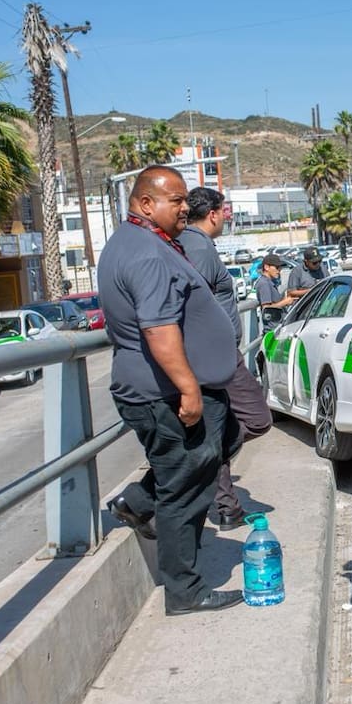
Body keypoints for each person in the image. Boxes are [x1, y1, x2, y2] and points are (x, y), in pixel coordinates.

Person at [98, 165, 242, 615]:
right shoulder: (146, 254)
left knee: (218, 446)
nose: (185, 208)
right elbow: (158, 329)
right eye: (176, 200)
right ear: (146, 204)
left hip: (174, 386)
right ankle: (186, 590)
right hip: (163, 392)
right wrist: (188, 388)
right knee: (183, 487)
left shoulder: (141, 242)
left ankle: (137, 501)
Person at [178, 187, 273, 530]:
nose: (226, 217)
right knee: (258, 419)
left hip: (214, 353)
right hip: (215, 356)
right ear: (213, 214)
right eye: (224, 211)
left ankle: (227, 507)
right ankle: (198, 463)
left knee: (217, 429)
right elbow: (191, 303)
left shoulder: (194, 244)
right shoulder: (198, 248)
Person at [255, 253, 295, 326]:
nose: (279, 271)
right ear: (266, 267)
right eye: (277, 267)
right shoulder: (264, 284)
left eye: (280, 268)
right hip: (273, 328)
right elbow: (266, 309)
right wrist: (285, 302)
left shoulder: (270, 282)